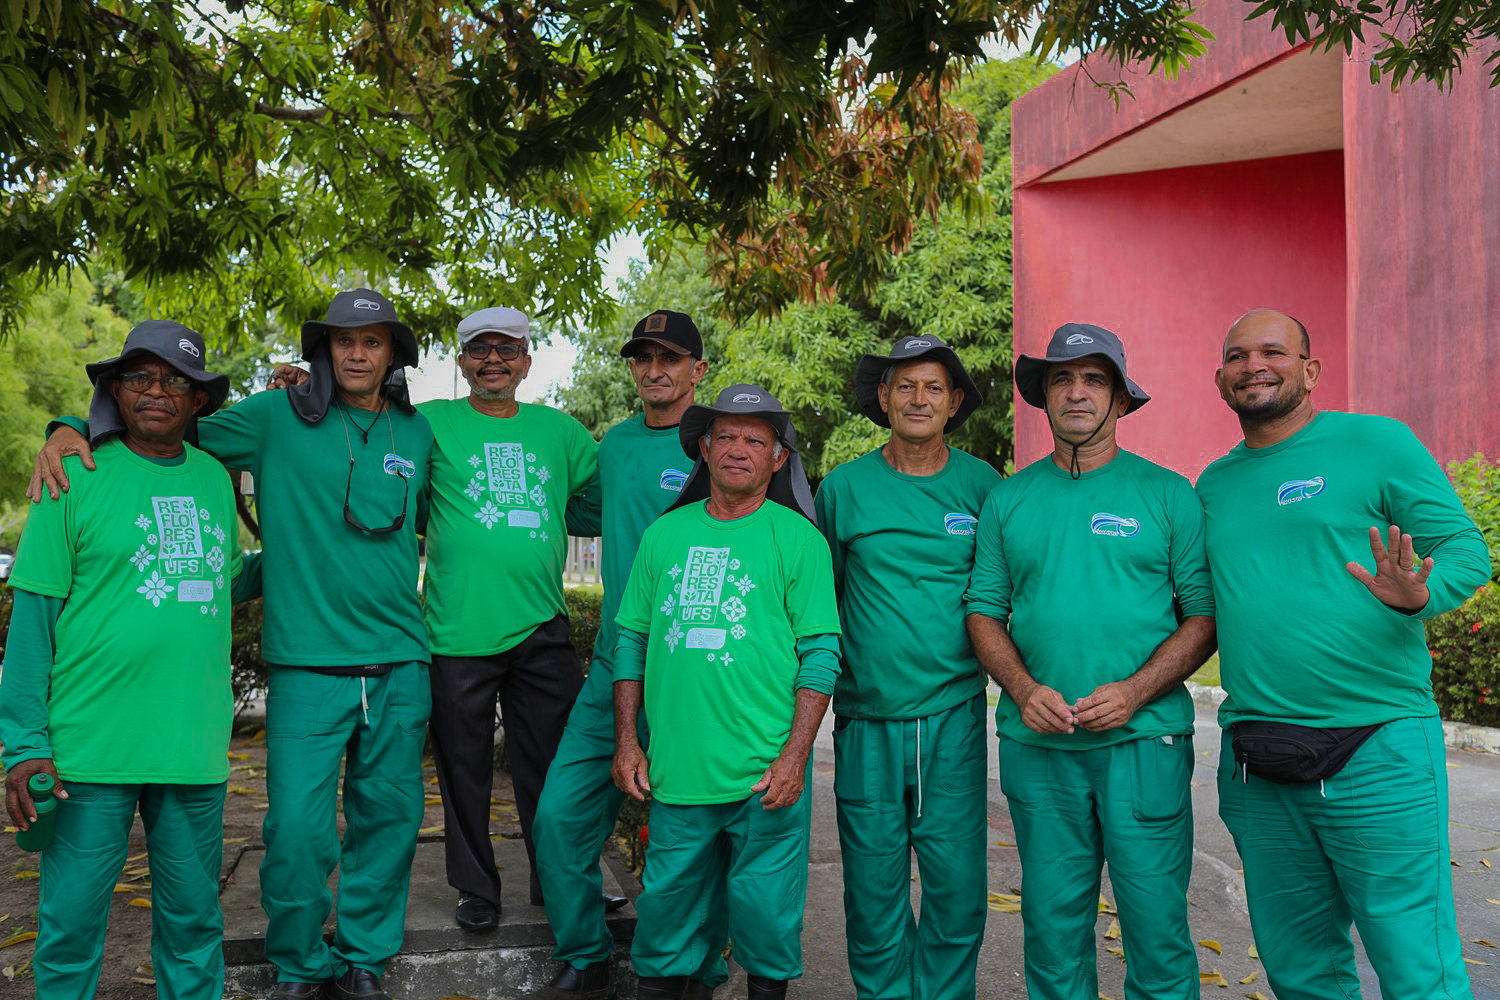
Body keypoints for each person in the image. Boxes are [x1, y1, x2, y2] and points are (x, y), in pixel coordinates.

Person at [30, 289, 435, 1000]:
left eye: (374, 341)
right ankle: (301, 961)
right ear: (325, 351)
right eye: (345, 341)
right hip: (307, 659)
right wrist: (69, 427)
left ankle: (366, 957)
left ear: (394, 354)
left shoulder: (422, 432)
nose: (359, 353)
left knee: (392, 821)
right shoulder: (274, 418)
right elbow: (159, 432)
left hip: (402, 655)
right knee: (299, 833)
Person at [1197, 308, 1489, 1000]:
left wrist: (1419, 596)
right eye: (1237, 356)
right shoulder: (1212, 485)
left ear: (1311, 369)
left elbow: (1467, 551)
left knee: (1417, 965)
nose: (1253, 365)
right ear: (1219, 380)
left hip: (1378, 745)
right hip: (1256, 757)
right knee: (1299, 969)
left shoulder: (1377, 444)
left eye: (1273, 350)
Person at [1, 321, 257, 1000]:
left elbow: (217, 583)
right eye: (140, 376)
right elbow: (31, 627)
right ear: (114, 389)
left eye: (177, 380)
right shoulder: (72, 476)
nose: (157, 391)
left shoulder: (212, 480)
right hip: (88, 754)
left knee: (194, 928)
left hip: (193, 750)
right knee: (68, 931)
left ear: (199, 401)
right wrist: (23, 747)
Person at [965, 323, 1216, 1000]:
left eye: (1094, 379)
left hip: (1144, 744)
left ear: (1121, 400)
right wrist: (1019, 690)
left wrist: (1135, 692)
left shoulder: (1169, 495)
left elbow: (1203, 617)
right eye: (1062, 380)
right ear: (1043, 397)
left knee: (1157, 931)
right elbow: (982, 614)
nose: (1077, 392)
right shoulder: (1008, 499)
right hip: (1038, 743)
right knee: (1051, 932)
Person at [611, 385, 840, 1000]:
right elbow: (631, 640)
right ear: (704, 449)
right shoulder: (664, 536)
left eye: (756, 440)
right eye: (728, 437)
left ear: (779, 459)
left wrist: (795, 757)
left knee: (766, 927)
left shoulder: (799, 542)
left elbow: (821, 655)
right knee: (664, 928)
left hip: (765, 779)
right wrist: (628, 741)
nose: (739, 449)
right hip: (677, 773)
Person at [527, 310, 728, 999]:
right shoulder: (612, 446)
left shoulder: (721, 446)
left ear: (698, 371)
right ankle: (584, 954)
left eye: (669, 358)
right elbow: (578, 508)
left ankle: (700, 966)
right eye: (642, 358)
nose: (653, 370)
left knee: (692, 835)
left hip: (693, 672)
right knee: (558, 817)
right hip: (616, 666)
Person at [813, 334, 999, 999]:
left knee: (955, 889)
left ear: (953, 403)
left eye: (933, 388)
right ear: (884, 398)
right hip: (865, 718)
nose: (918, 398)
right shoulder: (844, 488)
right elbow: (820, 604)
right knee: (872, 890)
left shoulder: (982, 486)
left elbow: (1003, 595)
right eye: (905, 385)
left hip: (952, 717)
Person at [415, 306, 600, 931]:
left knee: (554, 766)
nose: (493, 359)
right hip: (455, 628)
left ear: (527, 359)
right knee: (462, 767)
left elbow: (600, 502)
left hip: (542, 624)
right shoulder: (429, 424)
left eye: (507, 349)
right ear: (461, 361)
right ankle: (477, 889)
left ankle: (561, 882)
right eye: (479, 349)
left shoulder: (560, 430)